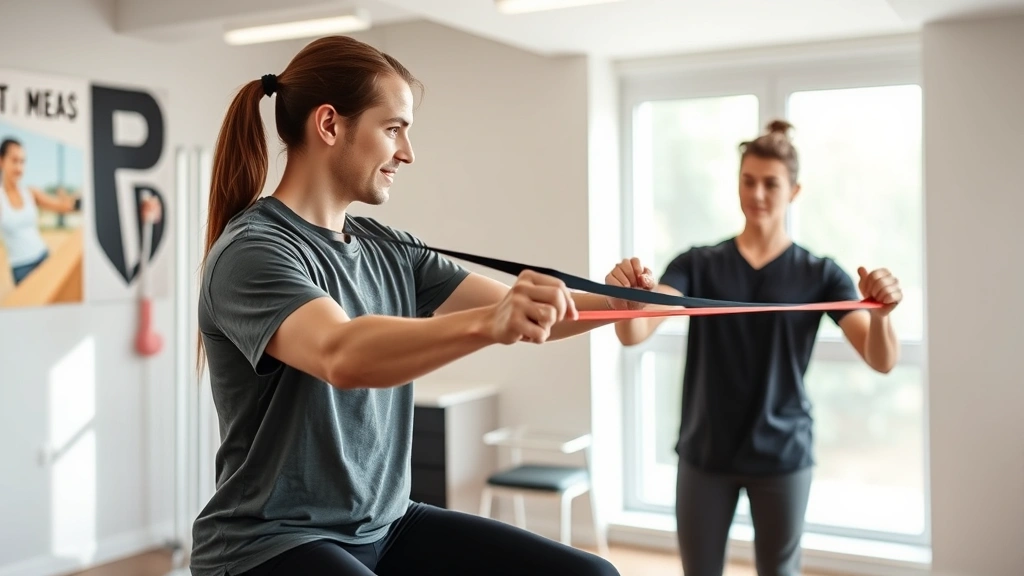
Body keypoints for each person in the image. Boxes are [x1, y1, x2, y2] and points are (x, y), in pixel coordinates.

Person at [191, 35, 646, 576]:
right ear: (330, 125)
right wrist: (491, 324)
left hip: (386, 524)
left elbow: (523, 312)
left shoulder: (388, 247)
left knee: (593, 574)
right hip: (271, 541)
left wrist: (627, 302)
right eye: (393, 129)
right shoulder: (254, 252)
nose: (407, 153)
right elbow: (342, 354)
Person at [607, 120, 903, 576]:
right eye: (748, 181)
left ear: (794, 191)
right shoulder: (697, 263)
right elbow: (633, 333)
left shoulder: (821, 273)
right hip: (707, 451)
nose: (758, 193)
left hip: (782, 455)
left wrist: (882, 315)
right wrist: (629, 298)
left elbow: (881, 359)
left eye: (771, 183)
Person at [0, 138, 80, 285]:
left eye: (22, 162)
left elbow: (65, 207)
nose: (19, 168)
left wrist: (78, 196)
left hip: (44, 258)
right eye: (14, 160)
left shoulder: (30, 193)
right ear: (2, 161)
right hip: (21, 268)